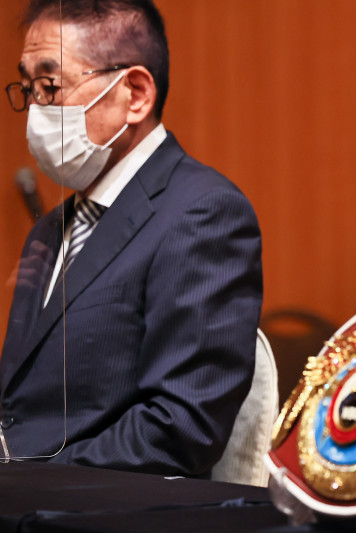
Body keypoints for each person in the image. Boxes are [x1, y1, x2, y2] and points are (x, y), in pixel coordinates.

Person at [0, 0, 262, 477]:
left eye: (51, 86)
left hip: (96, 505)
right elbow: (22, 408)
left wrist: (21, 476)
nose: (35, 110)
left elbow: (179, 429)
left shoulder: (203, 213)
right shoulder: (50, 228)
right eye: (29, 88)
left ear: (135, 94)